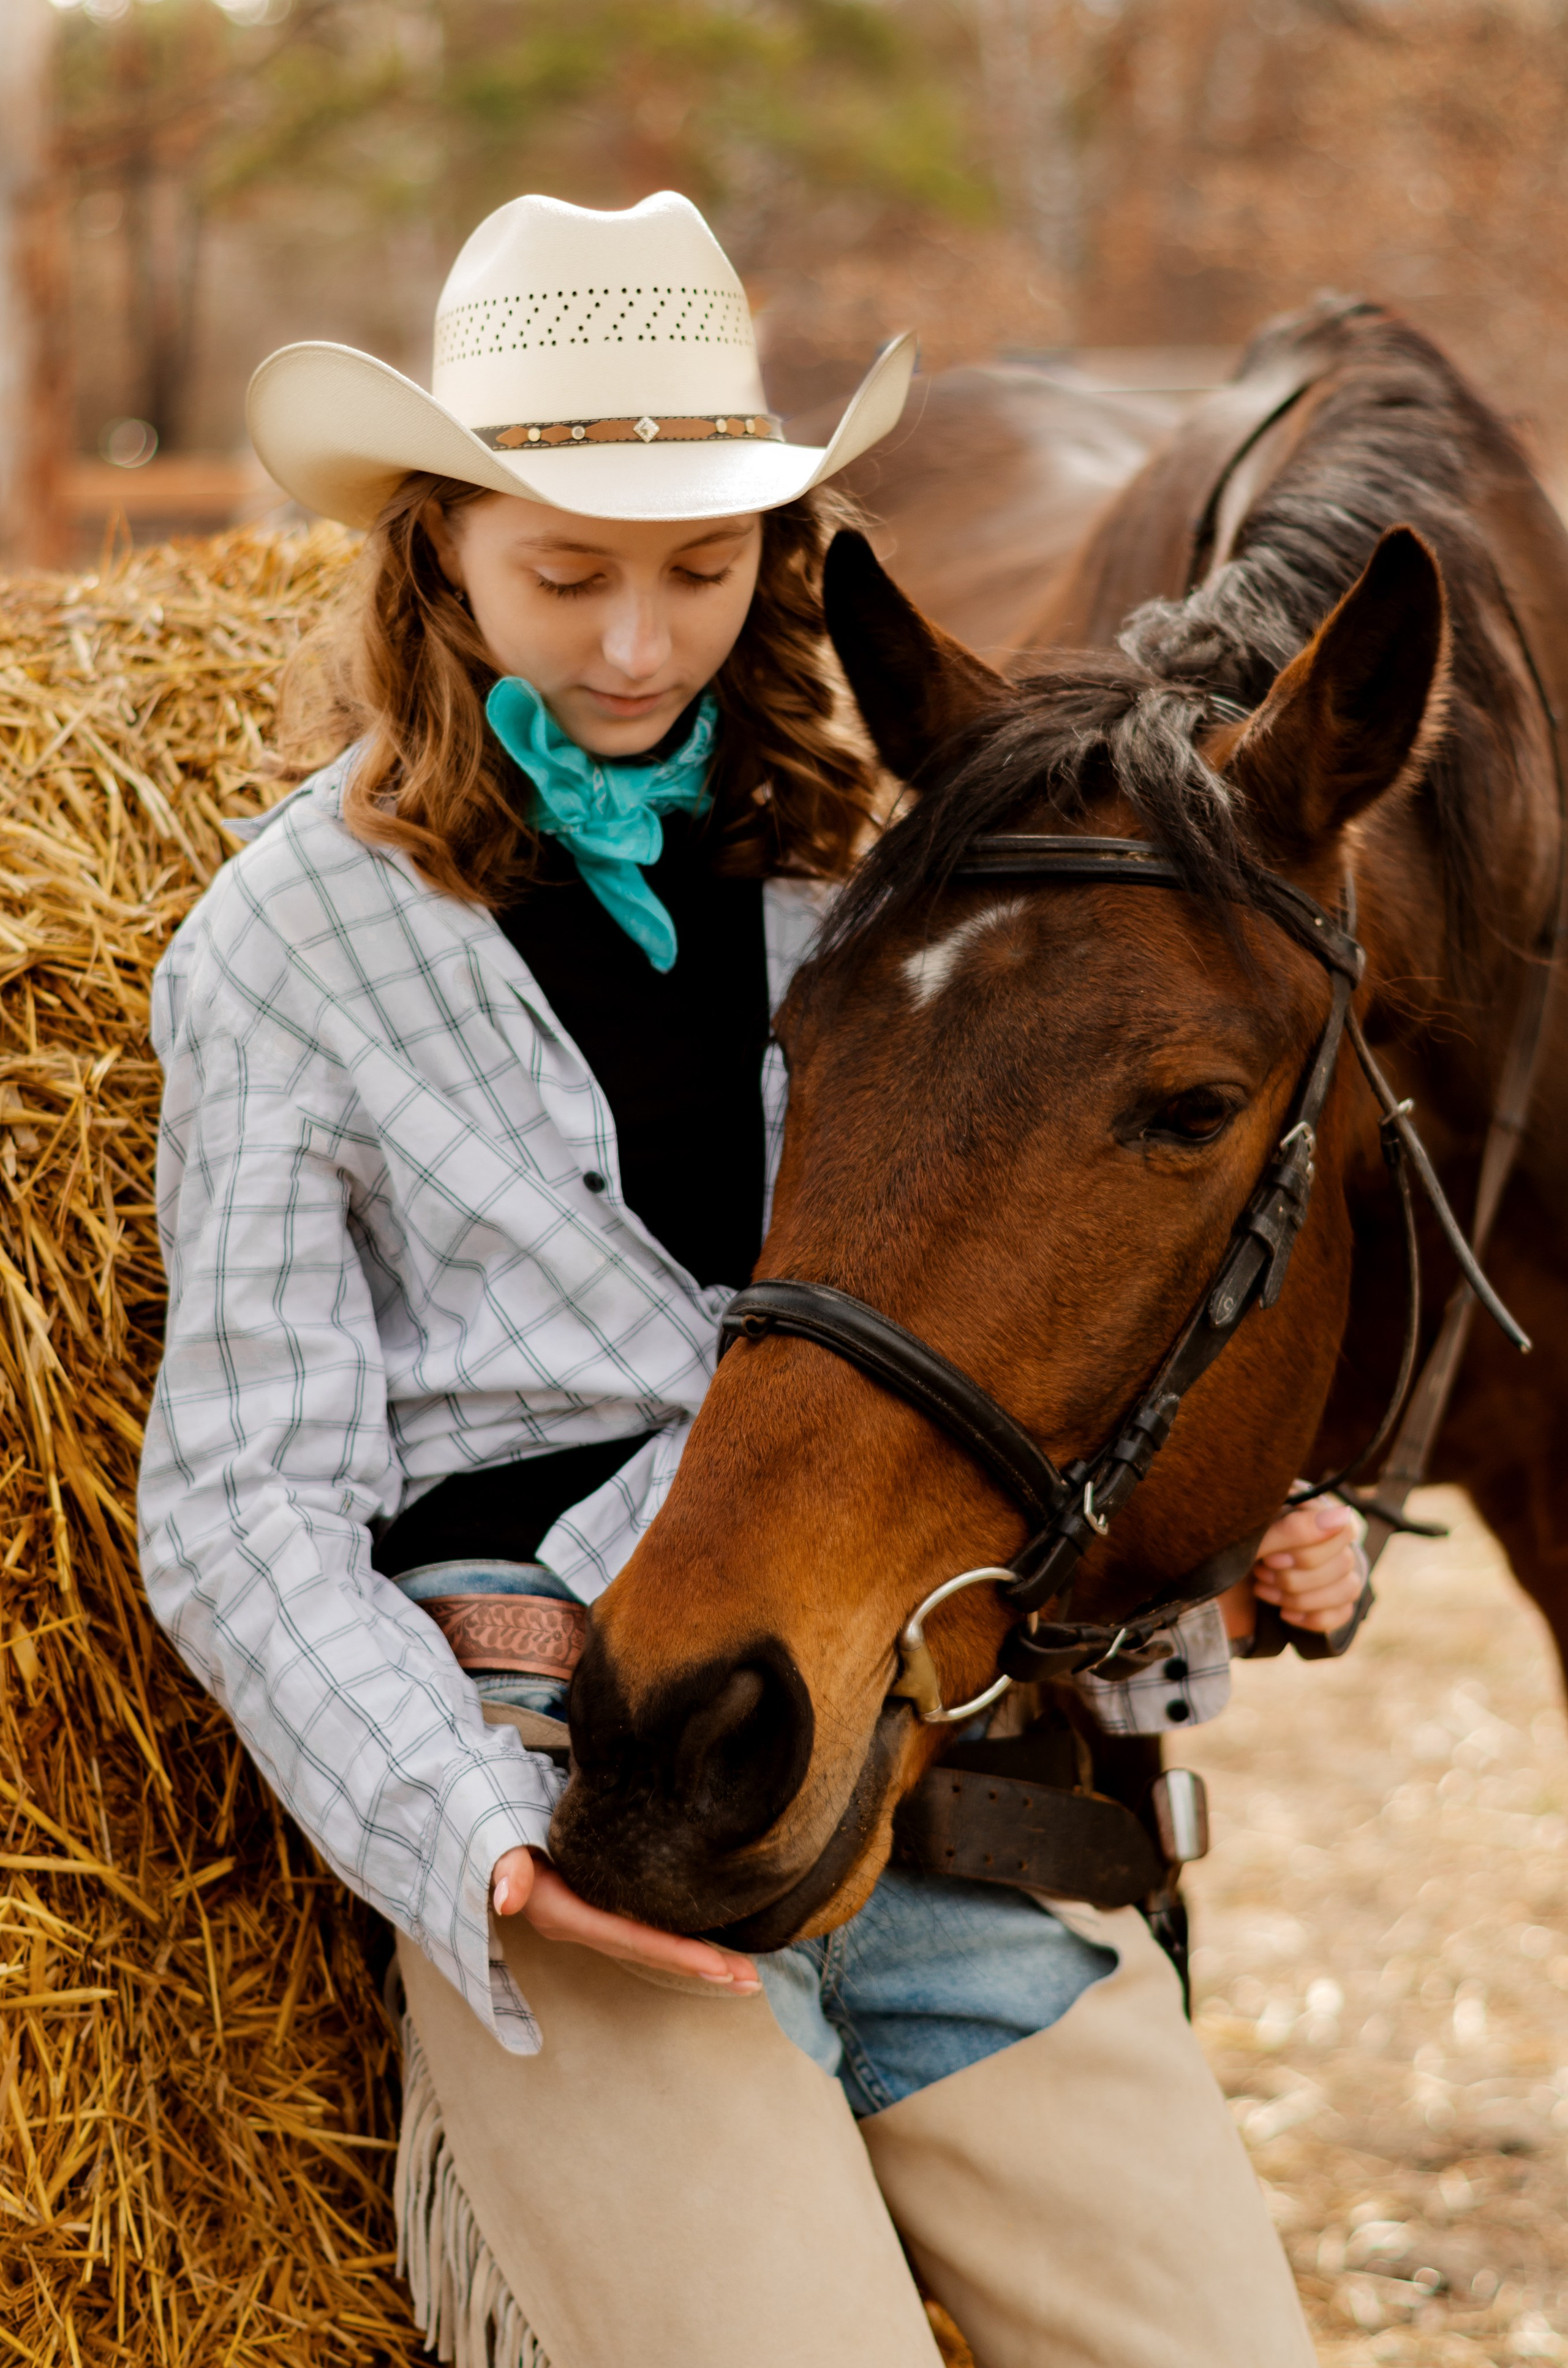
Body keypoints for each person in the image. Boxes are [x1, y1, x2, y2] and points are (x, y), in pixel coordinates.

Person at [139, 191, 1365, 2368]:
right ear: (434, 542)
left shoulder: (873, 883)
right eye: (566, 570)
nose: (636, 645)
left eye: (701, 572)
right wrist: (469, 1842)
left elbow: (1007, 1310)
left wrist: (1228, 1521)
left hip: (906, 1764)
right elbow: (237, 1494)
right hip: (568, 1775)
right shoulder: (284, 947)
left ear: (778, 556)